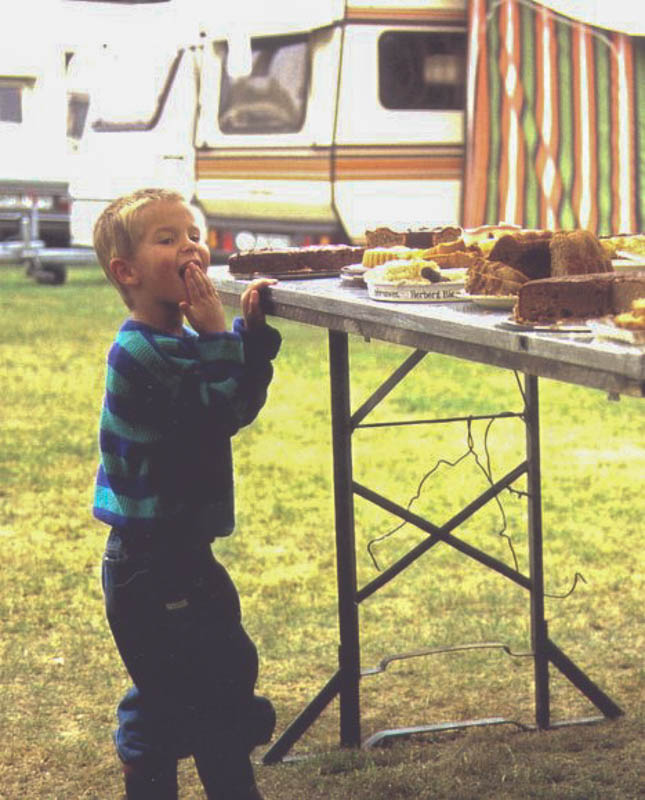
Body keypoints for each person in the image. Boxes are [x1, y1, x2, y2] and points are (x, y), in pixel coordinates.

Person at [92, 188, 281, 799]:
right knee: (186, 695)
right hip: (148, 564)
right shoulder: (141, 351)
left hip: (183, 555)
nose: (190, 246)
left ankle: (207, 756)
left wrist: (247, 339)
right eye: (167, 238)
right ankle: (160, 775)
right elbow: (220, 406)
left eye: (193, 233)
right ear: (127, 271)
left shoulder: (185, 346)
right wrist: (222, 334)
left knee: (218, 670)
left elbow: (238, 403)